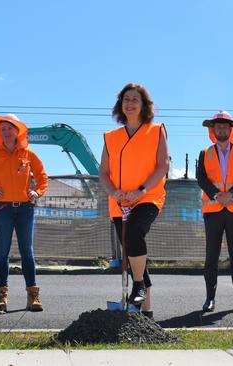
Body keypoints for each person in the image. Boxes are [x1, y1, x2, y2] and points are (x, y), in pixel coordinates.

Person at [98, 83, 169, 318]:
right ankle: (146, 315)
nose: (129, 103)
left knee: (135, 232)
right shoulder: (110, 137)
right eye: (125, 99)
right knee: (132, 251)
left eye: (135, 99)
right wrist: (113, 192)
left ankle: (137, 285)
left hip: (147, 196)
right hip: (119, 201)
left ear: (144, 105)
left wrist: (141, 190)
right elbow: (104, 173)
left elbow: (163, 166)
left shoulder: (156, 130)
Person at [0, 114, 48, 313]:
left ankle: (33, 297)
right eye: (2, 129)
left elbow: (42, 177)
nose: (5, 132)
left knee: (27, 253)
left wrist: (36, 192)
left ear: (17, 131)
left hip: (25, 209)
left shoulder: (29, 154)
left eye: (9, 128)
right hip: (2, 210)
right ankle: (1, 300)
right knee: (1, 253)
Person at [196, 110, 233, 313]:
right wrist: (217, 195)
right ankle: (210, 299)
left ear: (231, 129)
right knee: (211, 256)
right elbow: (201, 178)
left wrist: (232, 194)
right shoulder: (205, 153)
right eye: (218, 126)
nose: (221, 129)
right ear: (213, 130)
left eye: (225, 126)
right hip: (214, 211)